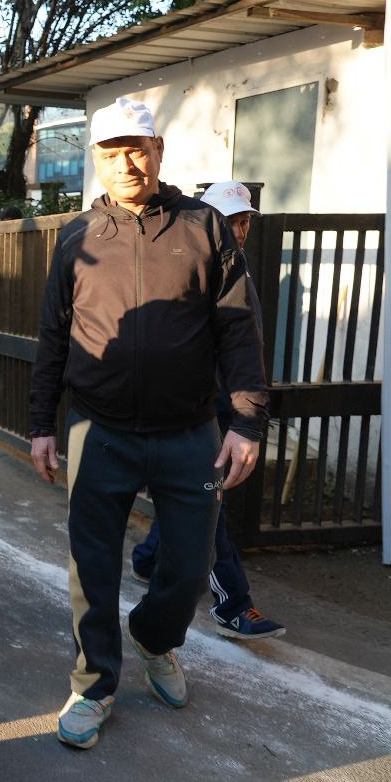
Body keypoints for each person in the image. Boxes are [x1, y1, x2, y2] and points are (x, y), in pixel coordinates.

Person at [28, 97, 268, 750]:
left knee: (190, 566)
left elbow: (238, 329)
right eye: (111, 151)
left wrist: (245, 422)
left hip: (189, 432)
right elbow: (53, 336)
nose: (127, 161)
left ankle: (156, 639)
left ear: (159, 151)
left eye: (138, 147)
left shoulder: (205, 228)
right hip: (98, 431)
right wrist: (41, 424)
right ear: (96, 161)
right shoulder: (77, 238)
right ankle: (94, 682)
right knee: (92, 569)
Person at [131, 181, 284, 640]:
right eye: (229, 220)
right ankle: (233, 604)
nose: (238, 230)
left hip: (225, 409)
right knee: (207, 505)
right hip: (195, 411)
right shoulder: (185, 267)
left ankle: (146, 558)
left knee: (193, 497)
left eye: (243, 221)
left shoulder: (237, 268)